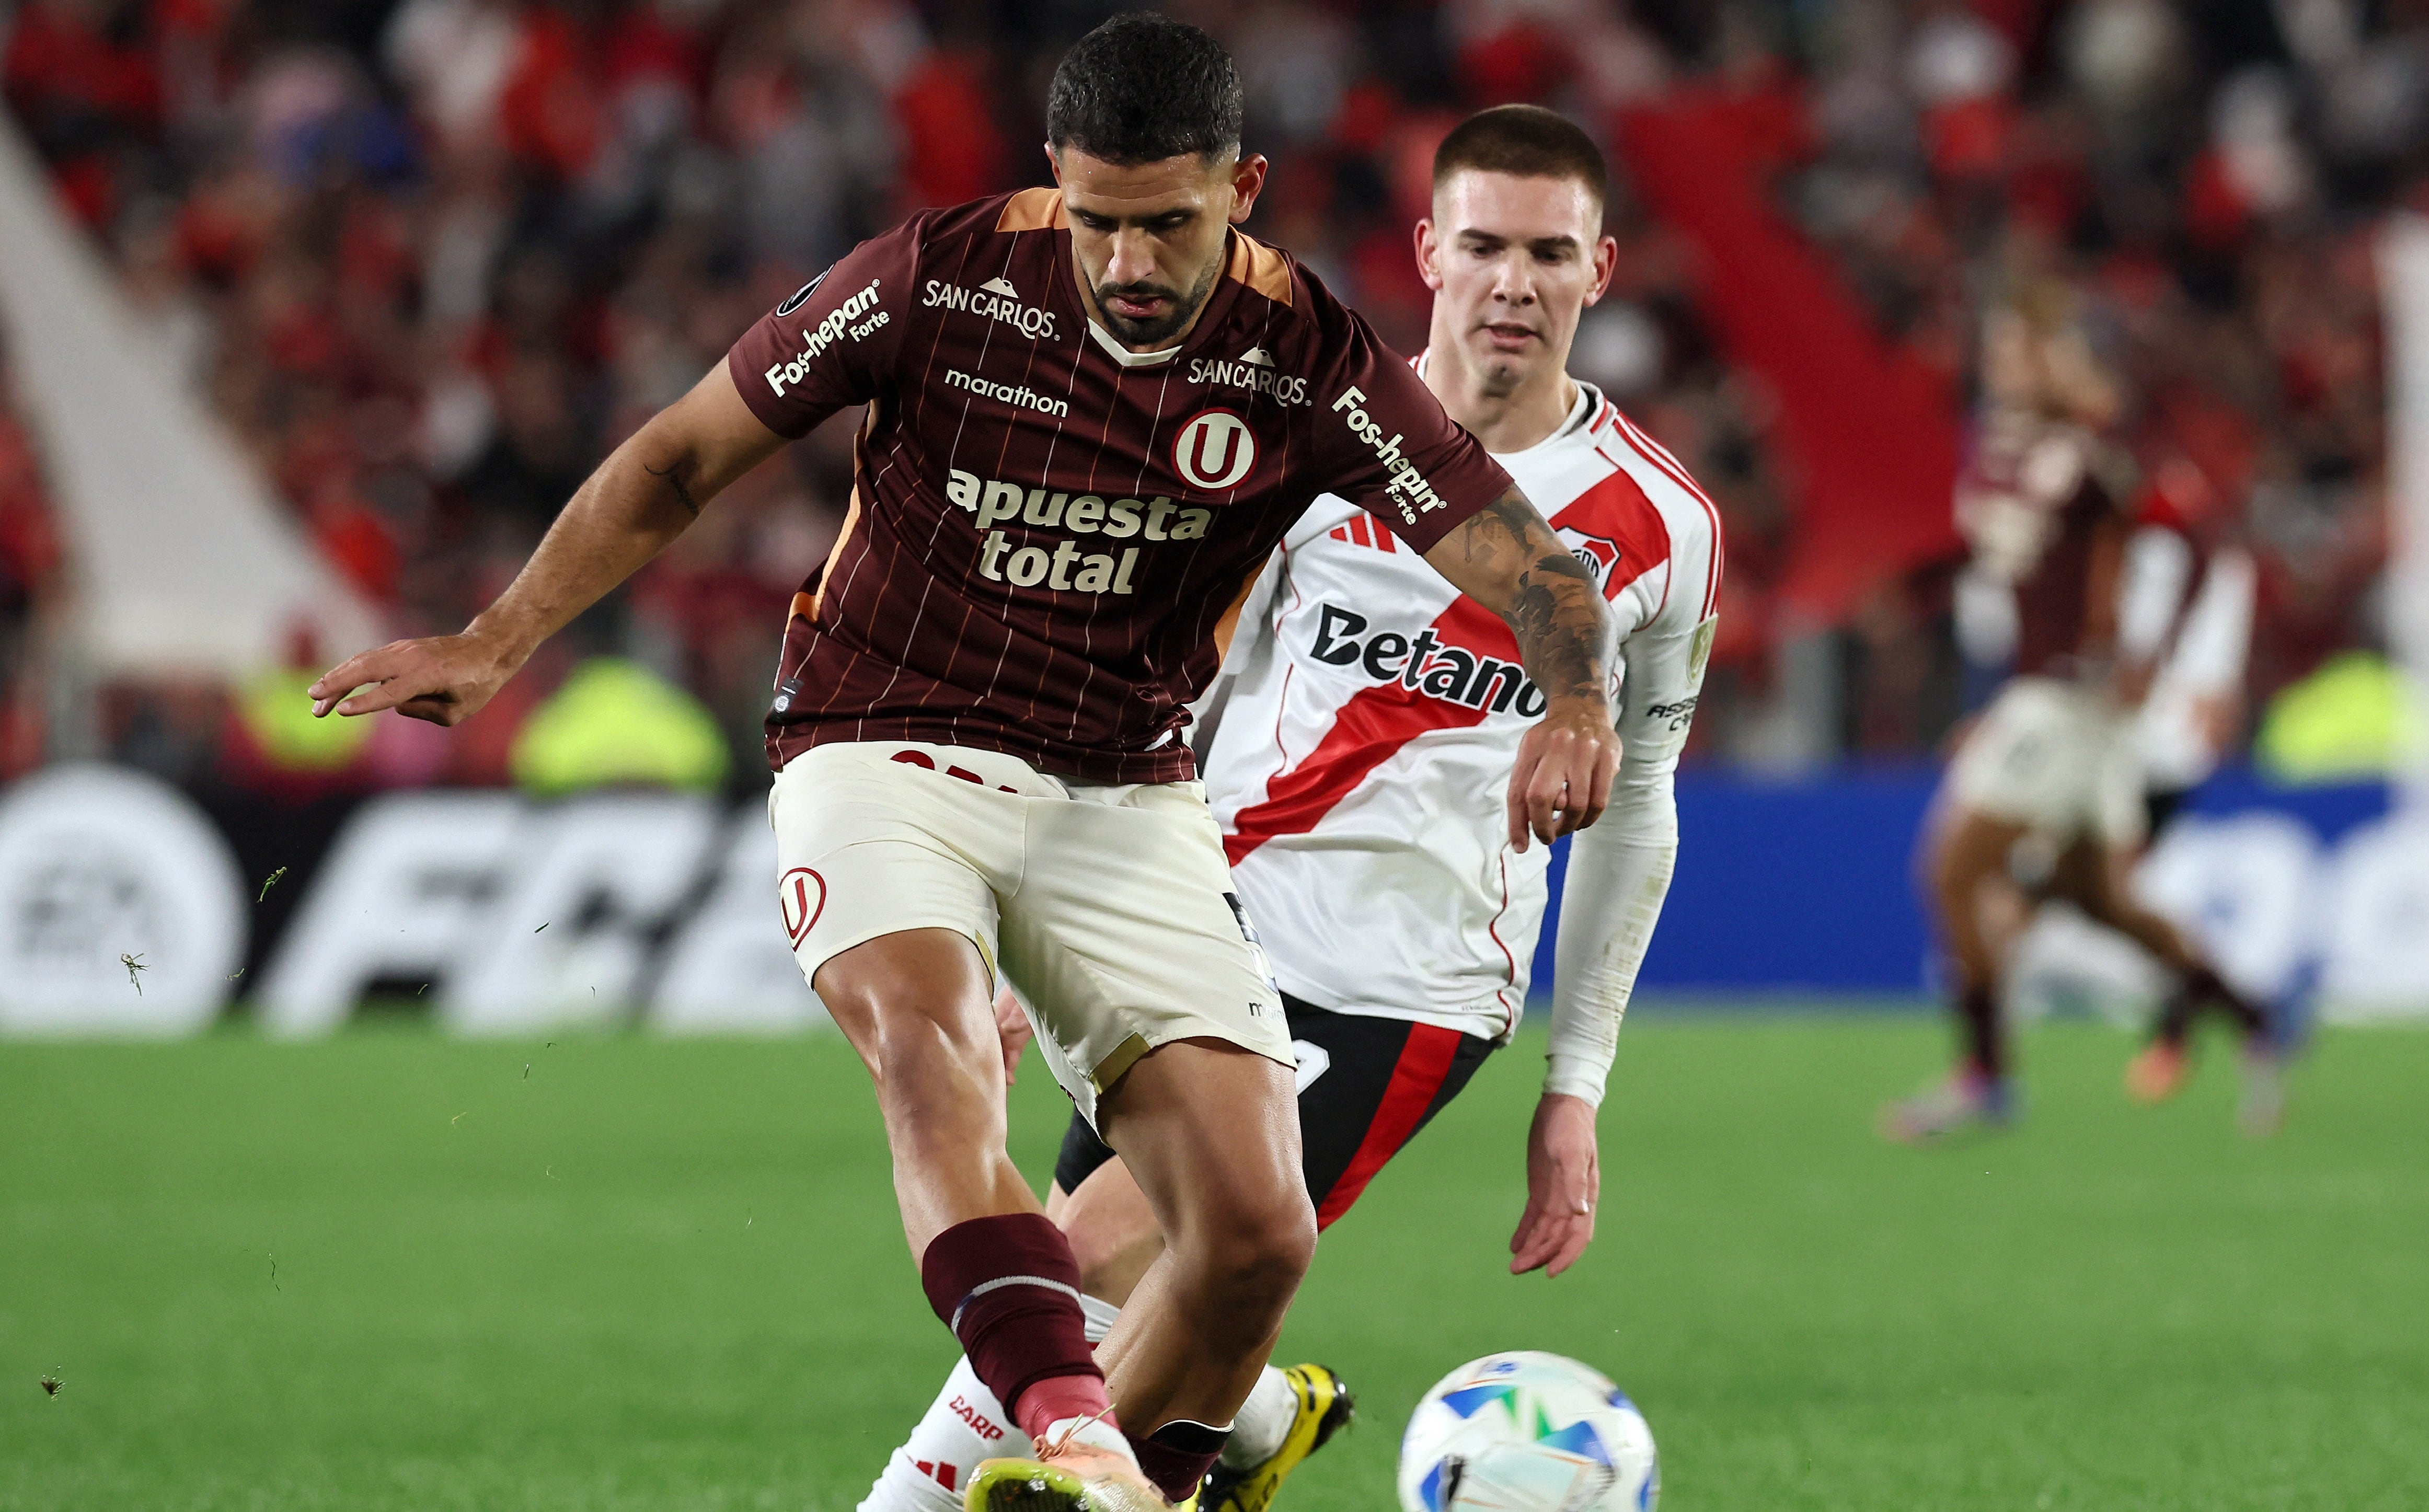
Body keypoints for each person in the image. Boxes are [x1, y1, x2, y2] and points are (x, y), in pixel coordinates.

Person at [306, 19, 1624, 1512]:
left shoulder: (1306, 356)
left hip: (1119, 786)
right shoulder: (930, 281)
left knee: (1258, 1229)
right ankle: (1070, 1427)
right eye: (1096, 219)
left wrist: (1575, 698)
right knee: (930, 1059)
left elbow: (1536, 568)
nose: (1126, 263)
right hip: (881, 733)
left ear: (1242, 188)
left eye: (1169, 225)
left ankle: (1189, 1447)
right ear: (1051, 183)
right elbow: (682, 453)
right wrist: (495, 638)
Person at [855, 105, 1719, 1512]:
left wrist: (1577, 1088)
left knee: (1067, 1271)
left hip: (1400, 974)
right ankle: (1248, 1427)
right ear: (1429, 249)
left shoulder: (1661, 524)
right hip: (1201, 919)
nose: (1514, 281)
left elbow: (1643, 806)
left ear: (1599, 270)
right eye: (1485, 244)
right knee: (1144, 1302)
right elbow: (1177, 689)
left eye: (1548, 253)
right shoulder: (1308, 439)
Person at [1882, 282, 2283, 1143]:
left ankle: (1985, 1075)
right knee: (2099, 899)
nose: (1999, 366)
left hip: (2067, 697)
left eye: (2015, 349)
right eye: (1995, 350)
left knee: (1952, 871)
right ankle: (2255, 1019)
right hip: (2055, 697)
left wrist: (2165, 656)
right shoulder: (2004, 451)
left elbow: (2203, 537)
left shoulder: (2091, 455)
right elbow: (1999, 570)